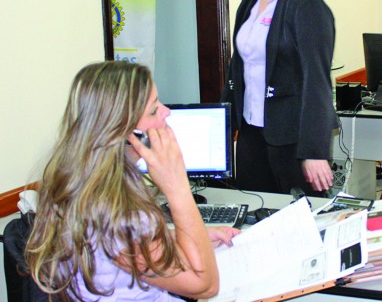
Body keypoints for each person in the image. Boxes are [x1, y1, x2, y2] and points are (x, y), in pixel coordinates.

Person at [25, 61, 240, 300]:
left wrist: (196, 235)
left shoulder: (77, 181)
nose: (166, 111)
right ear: (123, 131)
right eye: (153, 109)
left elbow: (128, 246)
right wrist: (177, 185)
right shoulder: (115, 211)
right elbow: (205, 285)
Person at [222, 0, 337, 196]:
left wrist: (314, 151)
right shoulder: (250, 1)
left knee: (301, 224)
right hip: (251, 133)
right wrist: (224, 128)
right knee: (254, 215)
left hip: (292, 139)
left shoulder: (307, 4)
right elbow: (237, 67)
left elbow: (317, 83)